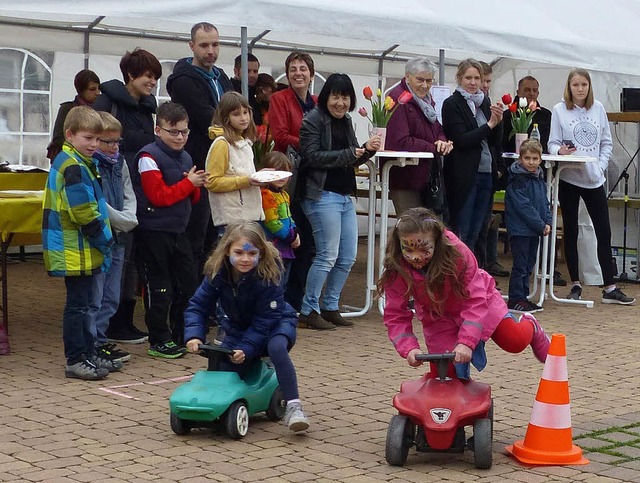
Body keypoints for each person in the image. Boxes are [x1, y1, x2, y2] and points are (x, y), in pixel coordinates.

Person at [377, 208, 551, 379]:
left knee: (514, 341)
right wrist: (409, 348)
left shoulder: (457, 254)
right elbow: (395, 314)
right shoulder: (397, 267)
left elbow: (474, 299)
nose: (416, 257)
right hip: (439, 317)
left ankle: (531, 325)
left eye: (424, 250)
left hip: (480, 302)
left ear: (436, 241)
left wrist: (466, 342)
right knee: (443, 375)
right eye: (409, 250)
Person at [184, 221, 310, 432]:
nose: (245, 259)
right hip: (239, 326)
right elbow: (197, 305)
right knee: (223, 367)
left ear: (261, 252)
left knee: (276, 348)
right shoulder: (217, 273)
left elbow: (265, 321)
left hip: (276, 322)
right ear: (226, 251)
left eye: (252, 253)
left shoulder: (269, 275)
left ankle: (294, 406)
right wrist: (193, 335)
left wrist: (247, 348)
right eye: (239, 252)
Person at [297, 73, 381, 330]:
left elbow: (351, 158)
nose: (340, 103)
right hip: (321, 195)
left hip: (344, 196)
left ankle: (330, 306)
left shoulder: (345, 121)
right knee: (327, 255)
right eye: (335, 96)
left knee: (348, 257)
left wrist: (367, 149)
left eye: (345, 97)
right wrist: (349, 154)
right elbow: (311, 156)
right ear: (326, 97)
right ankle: (308, 309)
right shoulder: (313, 119)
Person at [548, 68, 635, 305]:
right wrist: (560, 152)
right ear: (569, 87)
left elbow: (606, 142)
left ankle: (610, 286)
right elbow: (552, 143)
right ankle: (575, 283)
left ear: (589, 87)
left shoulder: (597, 108)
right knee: (572, 231)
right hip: (569, 176)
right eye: (575, 85)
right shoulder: (559, 110)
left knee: (603, 231)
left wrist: (601, 163)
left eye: (584, 85)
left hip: (594, 178)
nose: (580, 89)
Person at [93, 48, 162, 344]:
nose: (153, 83)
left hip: (140, 188)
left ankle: (123, 318)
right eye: (148, 76)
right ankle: (103, 324)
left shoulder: (148, 106)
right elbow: (99, 139)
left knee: (131, 257)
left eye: (156, 77)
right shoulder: (107, 101)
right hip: (113, 186)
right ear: (131, 75)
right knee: (114, 255)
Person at [42, 106, 115, 380]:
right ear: (70, 135)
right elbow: (83, 212)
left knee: (84, 305)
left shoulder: (75, 161)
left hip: (79, 249)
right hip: (76, 249)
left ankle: (87, 353)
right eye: (88, 138)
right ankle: (76, 358)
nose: (94, 144)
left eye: (97, 139)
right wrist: (105, 240)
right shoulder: (73, 166)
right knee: (78, 306)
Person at [131, 102, 207, 358]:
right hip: (153, 230)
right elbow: (158, 196)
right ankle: (158, 339)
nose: (180, 137)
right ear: (158, 130)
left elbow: (191, 199)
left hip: (178, 230)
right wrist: (189, 183)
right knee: (159, 287)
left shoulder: (185, 156)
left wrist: (195, 185)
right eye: (173, 131)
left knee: (188, 283)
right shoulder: (148, 157)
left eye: (184, 132)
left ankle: (181, 333)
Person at [166, 22, 234, 275]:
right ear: (192, 46)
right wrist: (233, 123)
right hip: (200, 168)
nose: (211, 51)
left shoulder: (221, 77)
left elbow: (235, 113)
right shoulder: (185, 81)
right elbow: (210, 118)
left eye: (215, 44)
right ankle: (191, 299)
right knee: (198, 237)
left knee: (218, 239)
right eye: (204, 45)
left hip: (223, 168)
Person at [268, 51, 318, 312]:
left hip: (314, 174)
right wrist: (312, 145)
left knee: (309, 238)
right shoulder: (279, 99)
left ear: (311, 73)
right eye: (293, 69)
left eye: (303, 68)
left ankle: (298, 299)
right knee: (290, 233)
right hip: (289, 173)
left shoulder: (318, 102)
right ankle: (285, 298)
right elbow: (281, 135)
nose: (298, 73)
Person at [91, 112, 139, 364]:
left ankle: (101, 338)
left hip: (120, 236)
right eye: (107, 142)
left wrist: (129, 216)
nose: (113, 147)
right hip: (101, 237)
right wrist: (124, 219)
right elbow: (99, 203)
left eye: (117, 142)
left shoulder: (120, 163)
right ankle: (93, 342)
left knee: (112, 295)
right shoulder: (92, 165)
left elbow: (129, 193)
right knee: (96, 295)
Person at [442, 58, 503, 250]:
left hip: (486, 172)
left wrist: (498, 121)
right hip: (464, 174)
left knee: (478, 230)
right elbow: (461, 139)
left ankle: (471, 275)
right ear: (460, 78)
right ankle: (457, 275)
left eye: (477, 78)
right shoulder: (452, 104)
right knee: (462, 230)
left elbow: (493, 142)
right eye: (468, 77)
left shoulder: (484, 102)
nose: (473, 82)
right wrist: (490, 125)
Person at [385, 57, 453, 217]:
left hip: (426, 177)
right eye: (420, 80)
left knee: (425, 229)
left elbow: (438, 129)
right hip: (405, 179)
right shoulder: (398, 100)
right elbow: (400, 141)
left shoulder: (427, 102)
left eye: (429, 81)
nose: (425, 85)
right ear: (407, 76)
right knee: (411, 229)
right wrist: (434, 147)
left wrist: (442, 142)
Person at [205, 91, 266, 238]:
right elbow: (212, 181)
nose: (243, 118)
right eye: (236, 114)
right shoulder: (221, 144)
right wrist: (247, 181)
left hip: (250, 216)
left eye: (246, 112)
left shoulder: (244, 142)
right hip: (232, 219)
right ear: (226, 117)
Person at [505, 139, 551, 313]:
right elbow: (523, 207)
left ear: (540, 159)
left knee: (529, 263)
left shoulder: (538, 178)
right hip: (520, 229)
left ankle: (523, 297)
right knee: (521, 264)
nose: (531, 162)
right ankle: (516, 297)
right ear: (520, 159)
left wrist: (548, 221)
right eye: (527, 158)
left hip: (534, 229)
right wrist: (540, 224)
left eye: (534, 158)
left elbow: (544, 203)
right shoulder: (517, 180)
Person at [474, 61, 509, 278]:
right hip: (472, 171)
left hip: (489, 169)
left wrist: (499, 120)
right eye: (482, 81)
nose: (485, 85)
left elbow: (497, 142)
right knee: (474, 228)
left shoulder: (487, 103)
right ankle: (475, 273)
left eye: (488, 81)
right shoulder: (465, 104)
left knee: (485, 224)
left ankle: (485, 270)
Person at [259, 151, 300, 290]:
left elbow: (288, 217)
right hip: (274, 246)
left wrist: (295, 232)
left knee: (283, 283)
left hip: (286, 246)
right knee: (273, 283)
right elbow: (272, 222)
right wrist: (291, 236)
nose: (281, 176)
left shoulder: (284, 195)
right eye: (277, 171)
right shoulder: (266, 194)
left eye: (285, 172)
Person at [47, 69, 100, 162]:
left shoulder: (99, 109)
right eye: (92, 89)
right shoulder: (67, 108)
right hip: (68, 159)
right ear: (81, 90)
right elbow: (58, 137)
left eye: (98, 89)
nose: (97, 93)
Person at [502, 76, 552, 154]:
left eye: (535, 90)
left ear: (538, 93)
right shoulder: (508, 115)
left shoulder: (546, 115)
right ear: (518, 92)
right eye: (527, 90)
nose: (531, 93)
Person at [231, 53, 262, 125]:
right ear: (236, 71)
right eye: (247, 71)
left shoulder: (258, 92)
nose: (252, 75)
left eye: (255, 71)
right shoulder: (229, 92)